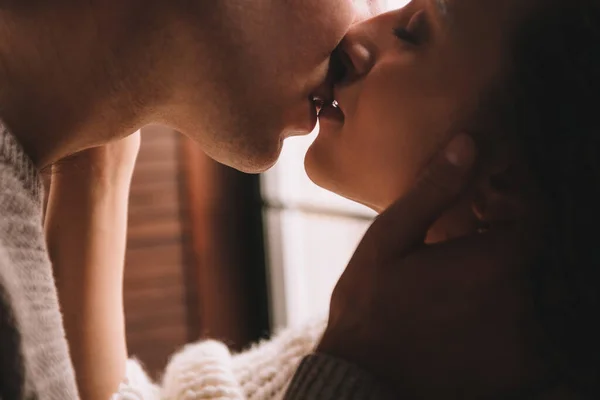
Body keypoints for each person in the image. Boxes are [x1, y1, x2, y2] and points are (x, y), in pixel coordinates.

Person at [51, 0, 600, 399]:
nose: (357, 38)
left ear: (502, 181)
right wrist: (101, 143)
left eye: (412, 33)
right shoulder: (370, 327)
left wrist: (351, 370)